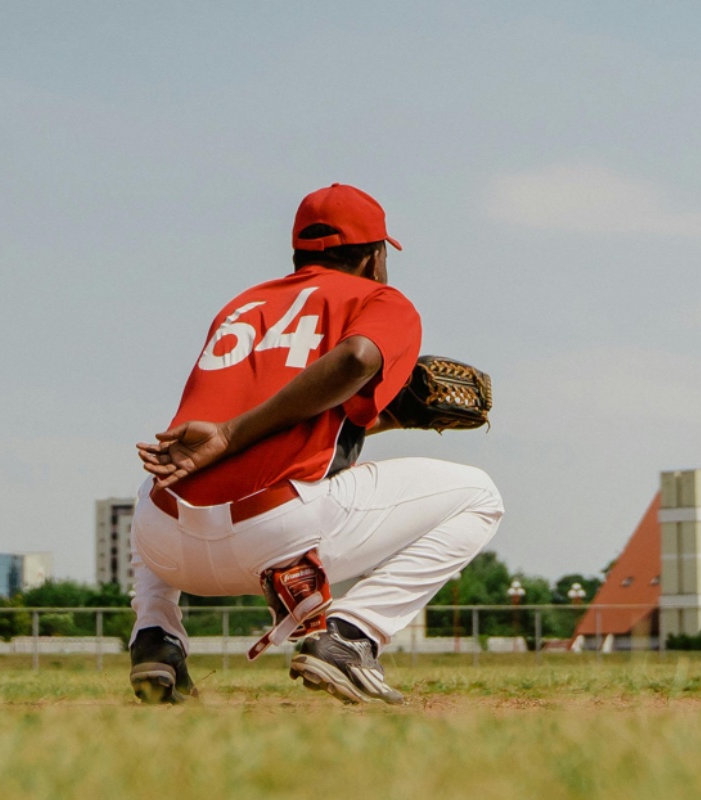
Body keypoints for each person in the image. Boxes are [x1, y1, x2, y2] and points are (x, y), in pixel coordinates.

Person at [129, 183, 504, 705]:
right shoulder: (381, 299)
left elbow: (263, 429)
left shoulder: (241, 306)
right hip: (274, 536)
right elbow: (355, 359)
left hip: (166, 545)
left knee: (163, 473)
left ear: (298, 253)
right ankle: (350, 638)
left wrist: (384, 419)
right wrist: (234, 433)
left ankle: (156, 636)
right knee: (480, 496)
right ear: (375, 257)